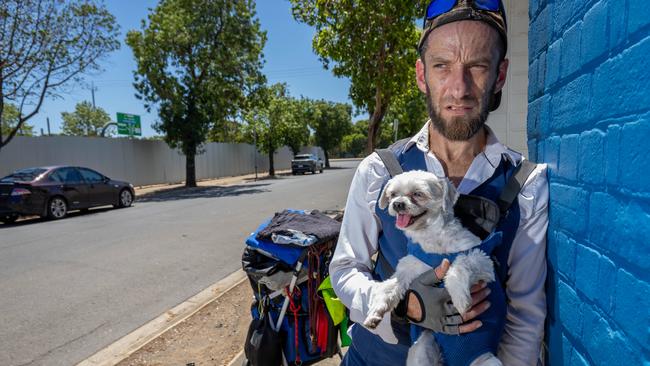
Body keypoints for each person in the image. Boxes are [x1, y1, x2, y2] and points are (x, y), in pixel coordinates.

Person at [330, 1, 549, 365]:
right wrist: (404, 304)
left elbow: (525, 314)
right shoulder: (380, 170)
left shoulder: (526, 184)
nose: (458, 88)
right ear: (421, 75)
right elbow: (345, 270)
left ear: (499, 75)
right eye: (442, 66)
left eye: (477, 66)